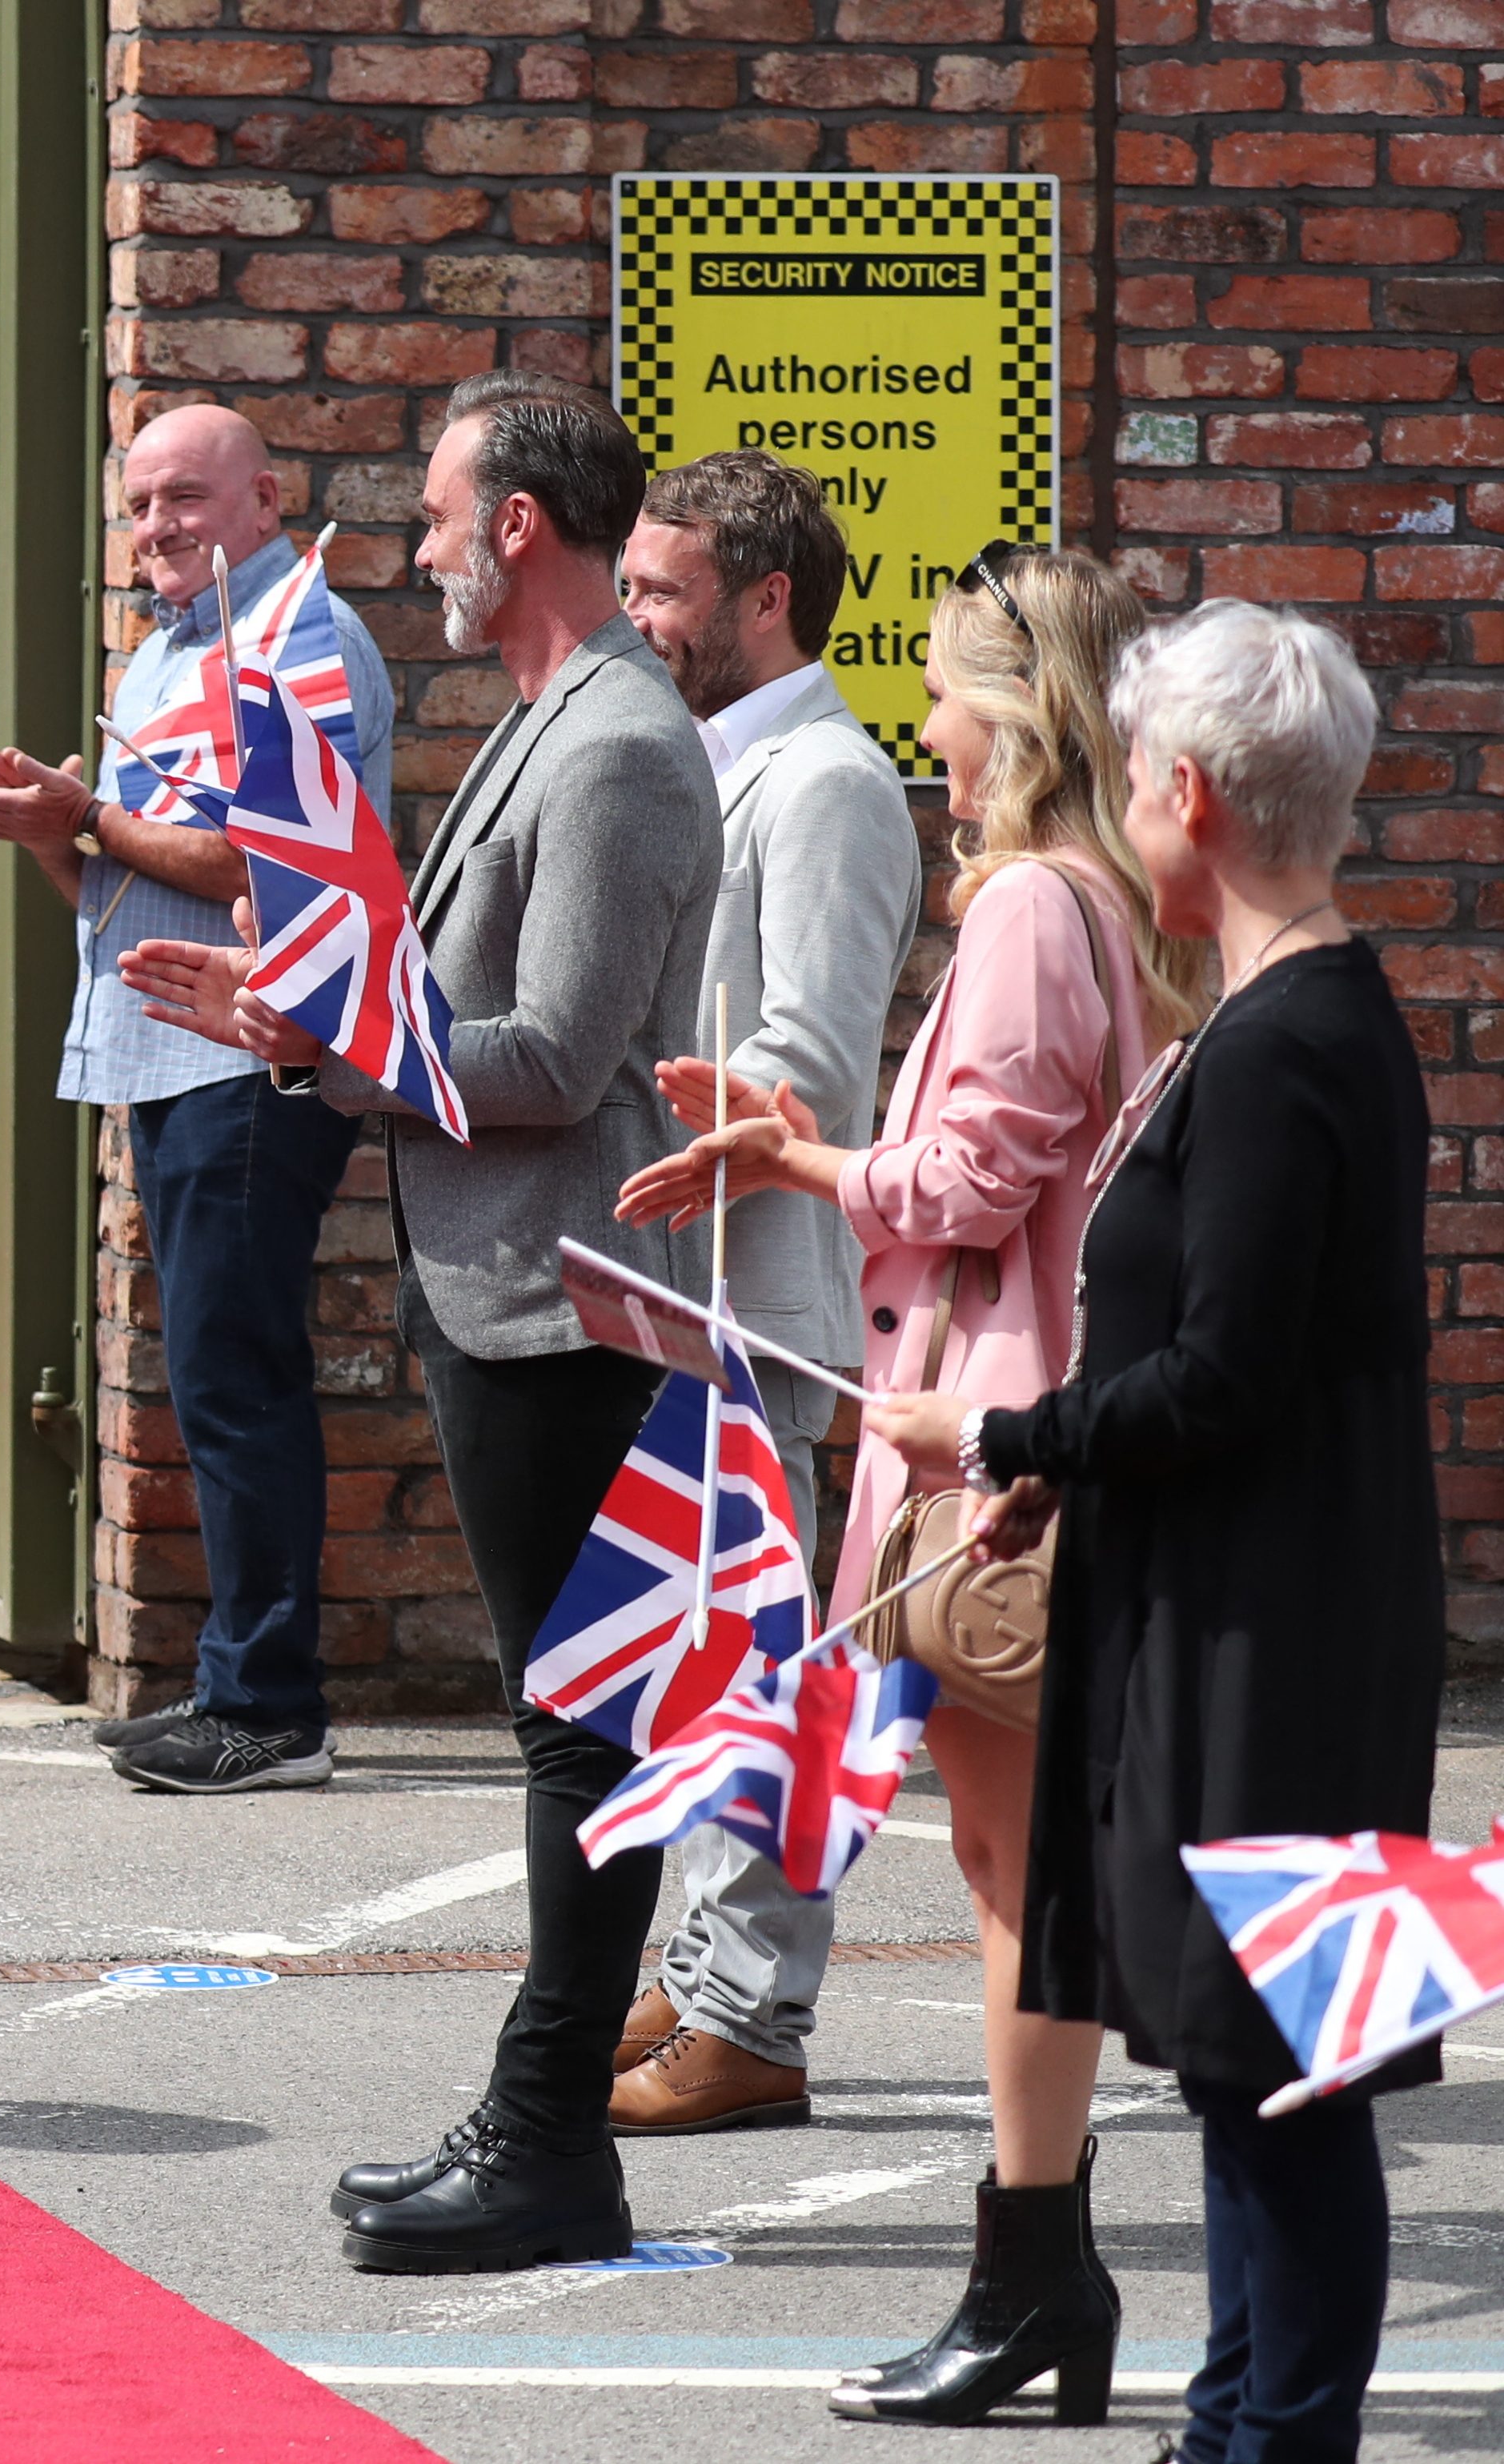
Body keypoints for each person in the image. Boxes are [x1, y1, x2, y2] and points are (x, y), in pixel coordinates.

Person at [129, 371, 717, 2272]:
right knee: (569, 1719)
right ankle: (542, 2124)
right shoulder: (549, 715)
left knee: (581, 1728)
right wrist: (300, 1022)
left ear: (519, 526)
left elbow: (553, 1055)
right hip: (502, 1278)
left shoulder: (614, 739)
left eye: (441, 518)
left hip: (563, 1297)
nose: (421, 551)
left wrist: (333, 1047)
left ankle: (545, 2134)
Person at [624, 545, 1197, 2420]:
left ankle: (1033, 2265)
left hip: (984, 1446)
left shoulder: (1035, 899)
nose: (923, 728)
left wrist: (801, 1170)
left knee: (1017, 1881)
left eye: (945, 690)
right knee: (1007, 1868)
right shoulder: (1098, 895)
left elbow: (968, 1183)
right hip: (1013, 1423)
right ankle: (1035, 2265)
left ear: (1015, 712)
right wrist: (825, 1145)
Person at [868, 601, 1429, 2458]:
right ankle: (1231, 2417)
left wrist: (1002, 1424)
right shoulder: (1290, 1018)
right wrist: (1056, 1462)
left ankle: (1270, 2431)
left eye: (1136, 778)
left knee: (1277, 2067)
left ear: (1185, 794)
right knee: (1239, 2059)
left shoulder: (1284, 1041)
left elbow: (1221, 1376)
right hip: (1250, 1597)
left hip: (1270, 1623)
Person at [0, 403, 393, 1793]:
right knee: (209, 1372)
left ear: (264, 497)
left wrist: (83, 813)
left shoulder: (296, 635)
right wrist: (57, 832)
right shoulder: (161, 652)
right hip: (169, 1051)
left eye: (185, 498)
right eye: (139, 505)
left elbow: (262, 864)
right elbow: (121, 879)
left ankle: (270, 1705)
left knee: (236, 1373)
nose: (156, 529)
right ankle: (234, 1684)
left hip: (249, 1054)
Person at [600, 451, 928, 2135]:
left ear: (766, 599)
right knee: (709, 1662)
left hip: (771, 1293)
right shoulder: (715, 764)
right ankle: (696, 1972)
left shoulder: (827, 785)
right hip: (687, 1286)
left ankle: (753, 2020)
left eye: (662, 592)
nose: (635, 615)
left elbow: (807, 1047)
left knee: (766, 1672)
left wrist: (653, 1103)